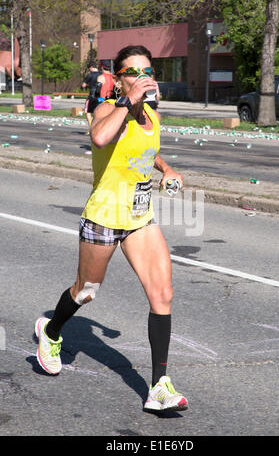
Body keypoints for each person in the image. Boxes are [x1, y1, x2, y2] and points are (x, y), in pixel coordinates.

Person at [34, 45, 188, 413]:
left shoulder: (152, 114)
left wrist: (165, 169)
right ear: (118, 79)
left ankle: (159, 387)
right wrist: (126, 100)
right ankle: (51, 332)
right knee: (86, 291)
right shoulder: (107, 110)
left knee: (162, 293)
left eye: (146, 70)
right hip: (103, 218)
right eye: (131, 72)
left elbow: (144, 148)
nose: (141, 76)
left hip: (139, 219)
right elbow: (102, 139)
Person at [81, 62, 102, 133]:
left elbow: (83, 85)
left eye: (89, 68)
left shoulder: (89, 75)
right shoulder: (101, 74)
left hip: (92, 96)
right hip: (101, 96)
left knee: (88, 111)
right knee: (99, 112)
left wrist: (88, 85)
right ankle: (99, 128)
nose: (89, 70)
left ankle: (91, 129)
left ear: (91, 67)